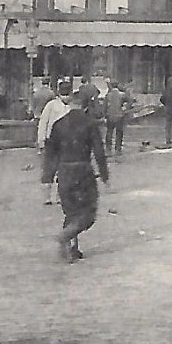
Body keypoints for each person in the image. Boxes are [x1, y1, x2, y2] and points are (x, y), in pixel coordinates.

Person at [41, 85, 109, 263]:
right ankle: (65, 237)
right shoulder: (90, 123)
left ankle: (72, 249)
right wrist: (104, 175)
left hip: (64, 172)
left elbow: (51, 152)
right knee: (88, 213)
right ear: (86, 106)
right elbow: (99, 152)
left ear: (70, 104)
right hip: (83, 171)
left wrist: (47, 177)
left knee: (70, 212)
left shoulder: (58, 124)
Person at [37, 80, 72, 206]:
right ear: (59, 93)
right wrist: (41, 140)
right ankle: (46, 197)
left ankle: (58, 196)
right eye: (64, 93)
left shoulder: (71, 107)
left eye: (68, 94)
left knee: (63, 169)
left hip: (66, 142)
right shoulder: (51, 105)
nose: (66, 96)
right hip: (51, 141)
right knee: (49, 168)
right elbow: (43, 122)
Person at [103, 80, 132, 155]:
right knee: (119, 132)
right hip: (119, 115)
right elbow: (130, 101)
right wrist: (125, 108)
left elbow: (104, 106)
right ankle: (118, 149)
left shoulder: (108, 95)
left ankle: (108, 149)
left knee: (109, 132)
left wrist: (104, 115)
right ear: (117, 86)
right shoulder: (122, 95)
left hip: (110, 115)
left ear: (111, 86)